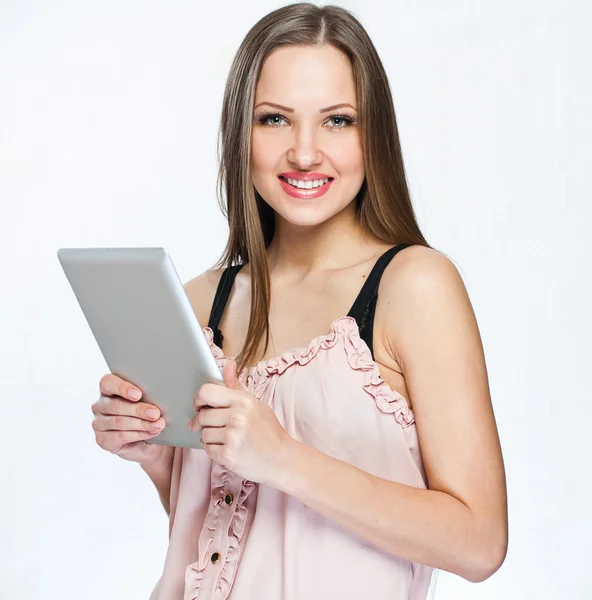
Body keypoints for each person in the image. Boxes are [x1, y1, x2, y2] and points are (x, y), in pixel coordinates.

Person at [91, 3, 508, 599]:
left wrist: (284, 457)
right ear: (242, 131)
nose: (306, 153)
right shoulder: (200, 300)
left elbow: (480, 543)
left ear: (374, 133)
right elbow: (227, 536)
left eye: (337, 120)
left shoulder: (414, 287)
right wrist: (154, 455)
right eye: (275, 120)